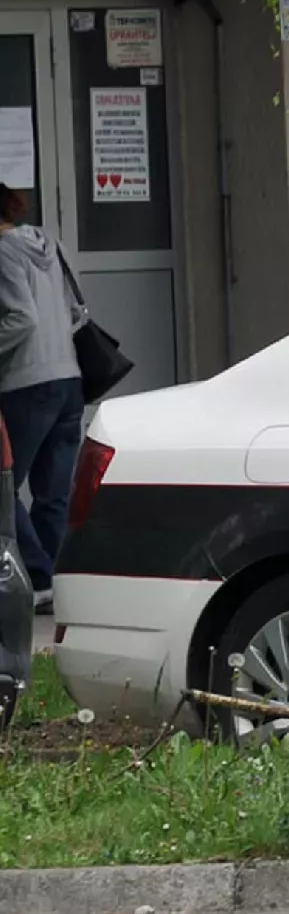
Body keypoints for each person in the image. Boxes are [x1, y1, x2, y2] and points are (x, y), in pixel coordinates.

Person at [0, 183, 85, 615]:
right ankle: (51, 584)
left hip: (27, 384)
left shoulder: (2, 252)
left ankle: (36, 575)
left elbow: (22, 319)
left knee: (2, 486)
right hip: (70, 380)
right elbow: (76, 313)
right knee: (53, 493)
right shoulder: (53, 245)